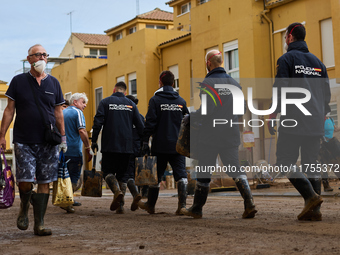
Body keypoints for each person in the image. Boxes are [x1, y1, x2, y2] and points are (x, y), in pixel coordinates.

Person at [181, 50, 257, 219]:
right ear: (221, 62)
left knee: (204, 170)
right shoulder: (234, 83)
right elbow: (242, 109)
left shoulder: (209, 82)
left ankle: (197, 208)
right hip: (230, 133)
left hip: (210, 135)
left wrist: (190, 117)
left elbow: (207, 110)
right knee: (234, 167)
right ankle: (249, 203)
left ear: (208, 63)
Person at [0, 44, 66, 236]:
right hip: (24, 140)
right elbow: (9, 110)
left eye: (45, 55)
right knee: (26, 181)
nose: (42, 58)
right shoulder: (18, 81)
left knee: (45, 181)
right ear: (29, 59)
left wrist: (63, 138)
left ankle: (40, 223)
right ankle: (24, 208)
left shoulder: (54, 83)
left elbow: (58, 112)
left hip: (48, 140)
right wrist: (2, 135)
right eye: (38, 55)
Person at [267, 23, 331, 221]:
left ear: (290, 37)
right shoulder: (318, 63)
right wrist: (322, 114)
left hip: (293, 122)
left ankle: (311, 197)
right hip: (314, 123)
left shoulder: (286, 59)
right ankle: (315, 212)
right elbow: (326, 93)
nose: (285, 40)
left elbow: (281, 89)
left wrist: (272, 114)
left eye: (285, 36)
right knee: (311, 165)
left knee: (284, 161)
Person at [138, 70, 189, 215]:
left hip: (160, 145)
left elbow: (150, 123)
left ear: (160, 83)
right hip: (178, 146)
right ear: (173, 83)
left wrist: (144, 141)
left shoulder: (155, 100)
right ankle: (182, 206)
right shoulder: (181, 101)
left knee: (157, 176)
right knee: (181, 175)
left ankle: (150, 205)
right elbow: (187, 121)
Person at [91, 82, 144, 213]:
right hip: (127, 146)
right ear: (125, 92)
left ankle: (116, 192)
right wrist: (145, 142)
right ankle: (120, 206)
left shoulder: (105, 102)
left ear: (114, 89)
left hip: (110, 144)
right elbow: (140, 125)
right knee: (122, 175)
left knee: (107, 171)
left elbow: (97, 122)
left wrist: (94, 141)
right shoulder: (131, 104)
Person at [63, 93, 92, 213]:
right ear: (75, 102)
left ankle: (67, 201)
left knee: (65, 178)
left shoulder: (62, 112)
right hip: (74, 150)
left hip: (62, 150)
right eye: (83, 102)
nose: (85, 105)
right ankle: (66, 201)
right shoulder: (77, 112)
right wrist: (88, 147)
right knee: (74, 179)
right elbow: (82, 130)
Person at [123, 95, 144, 211]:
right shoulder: (140, 117)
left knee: (126, 175)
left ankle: (135, 195)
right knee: (138, 175)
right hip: (138, 149)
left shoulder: (124, 117)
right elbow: (143, 133)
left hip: (126, 149)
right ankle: (138, 196)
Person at [320, 115, 339, 191]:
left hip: (331, 144)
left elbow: (336, 129)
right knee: (323, 165)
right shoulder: (320, 119)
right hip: (322, 145)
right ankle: (326, 185)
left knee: (336, 164)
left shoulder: (330, 119)